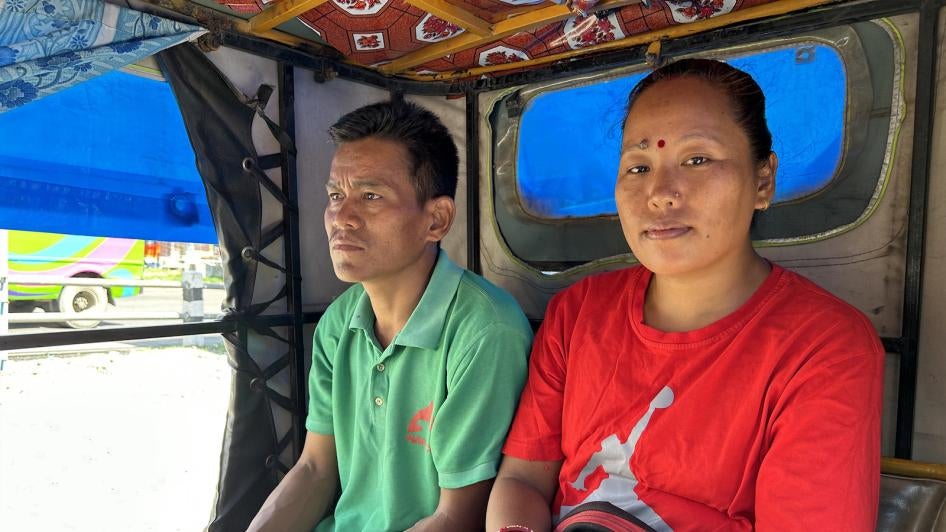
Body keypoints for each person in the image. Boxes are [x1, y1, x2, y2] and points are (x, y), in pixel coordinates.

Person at [486, 58, 884, 531]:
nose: (659, 192)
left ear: (763, 181)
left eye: (697, 159)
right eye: (638, 166)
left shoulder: (824, 347)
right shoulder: (578, 313)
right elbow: (524, 481)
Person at [248, 100, 532, 532]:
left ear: (435, 220)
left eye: (371, 196)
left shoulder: (484, 329)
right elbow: (316, 470)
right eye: (336, 196)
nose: (341, 218)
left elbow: (458, 515)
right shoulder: (337, 325)